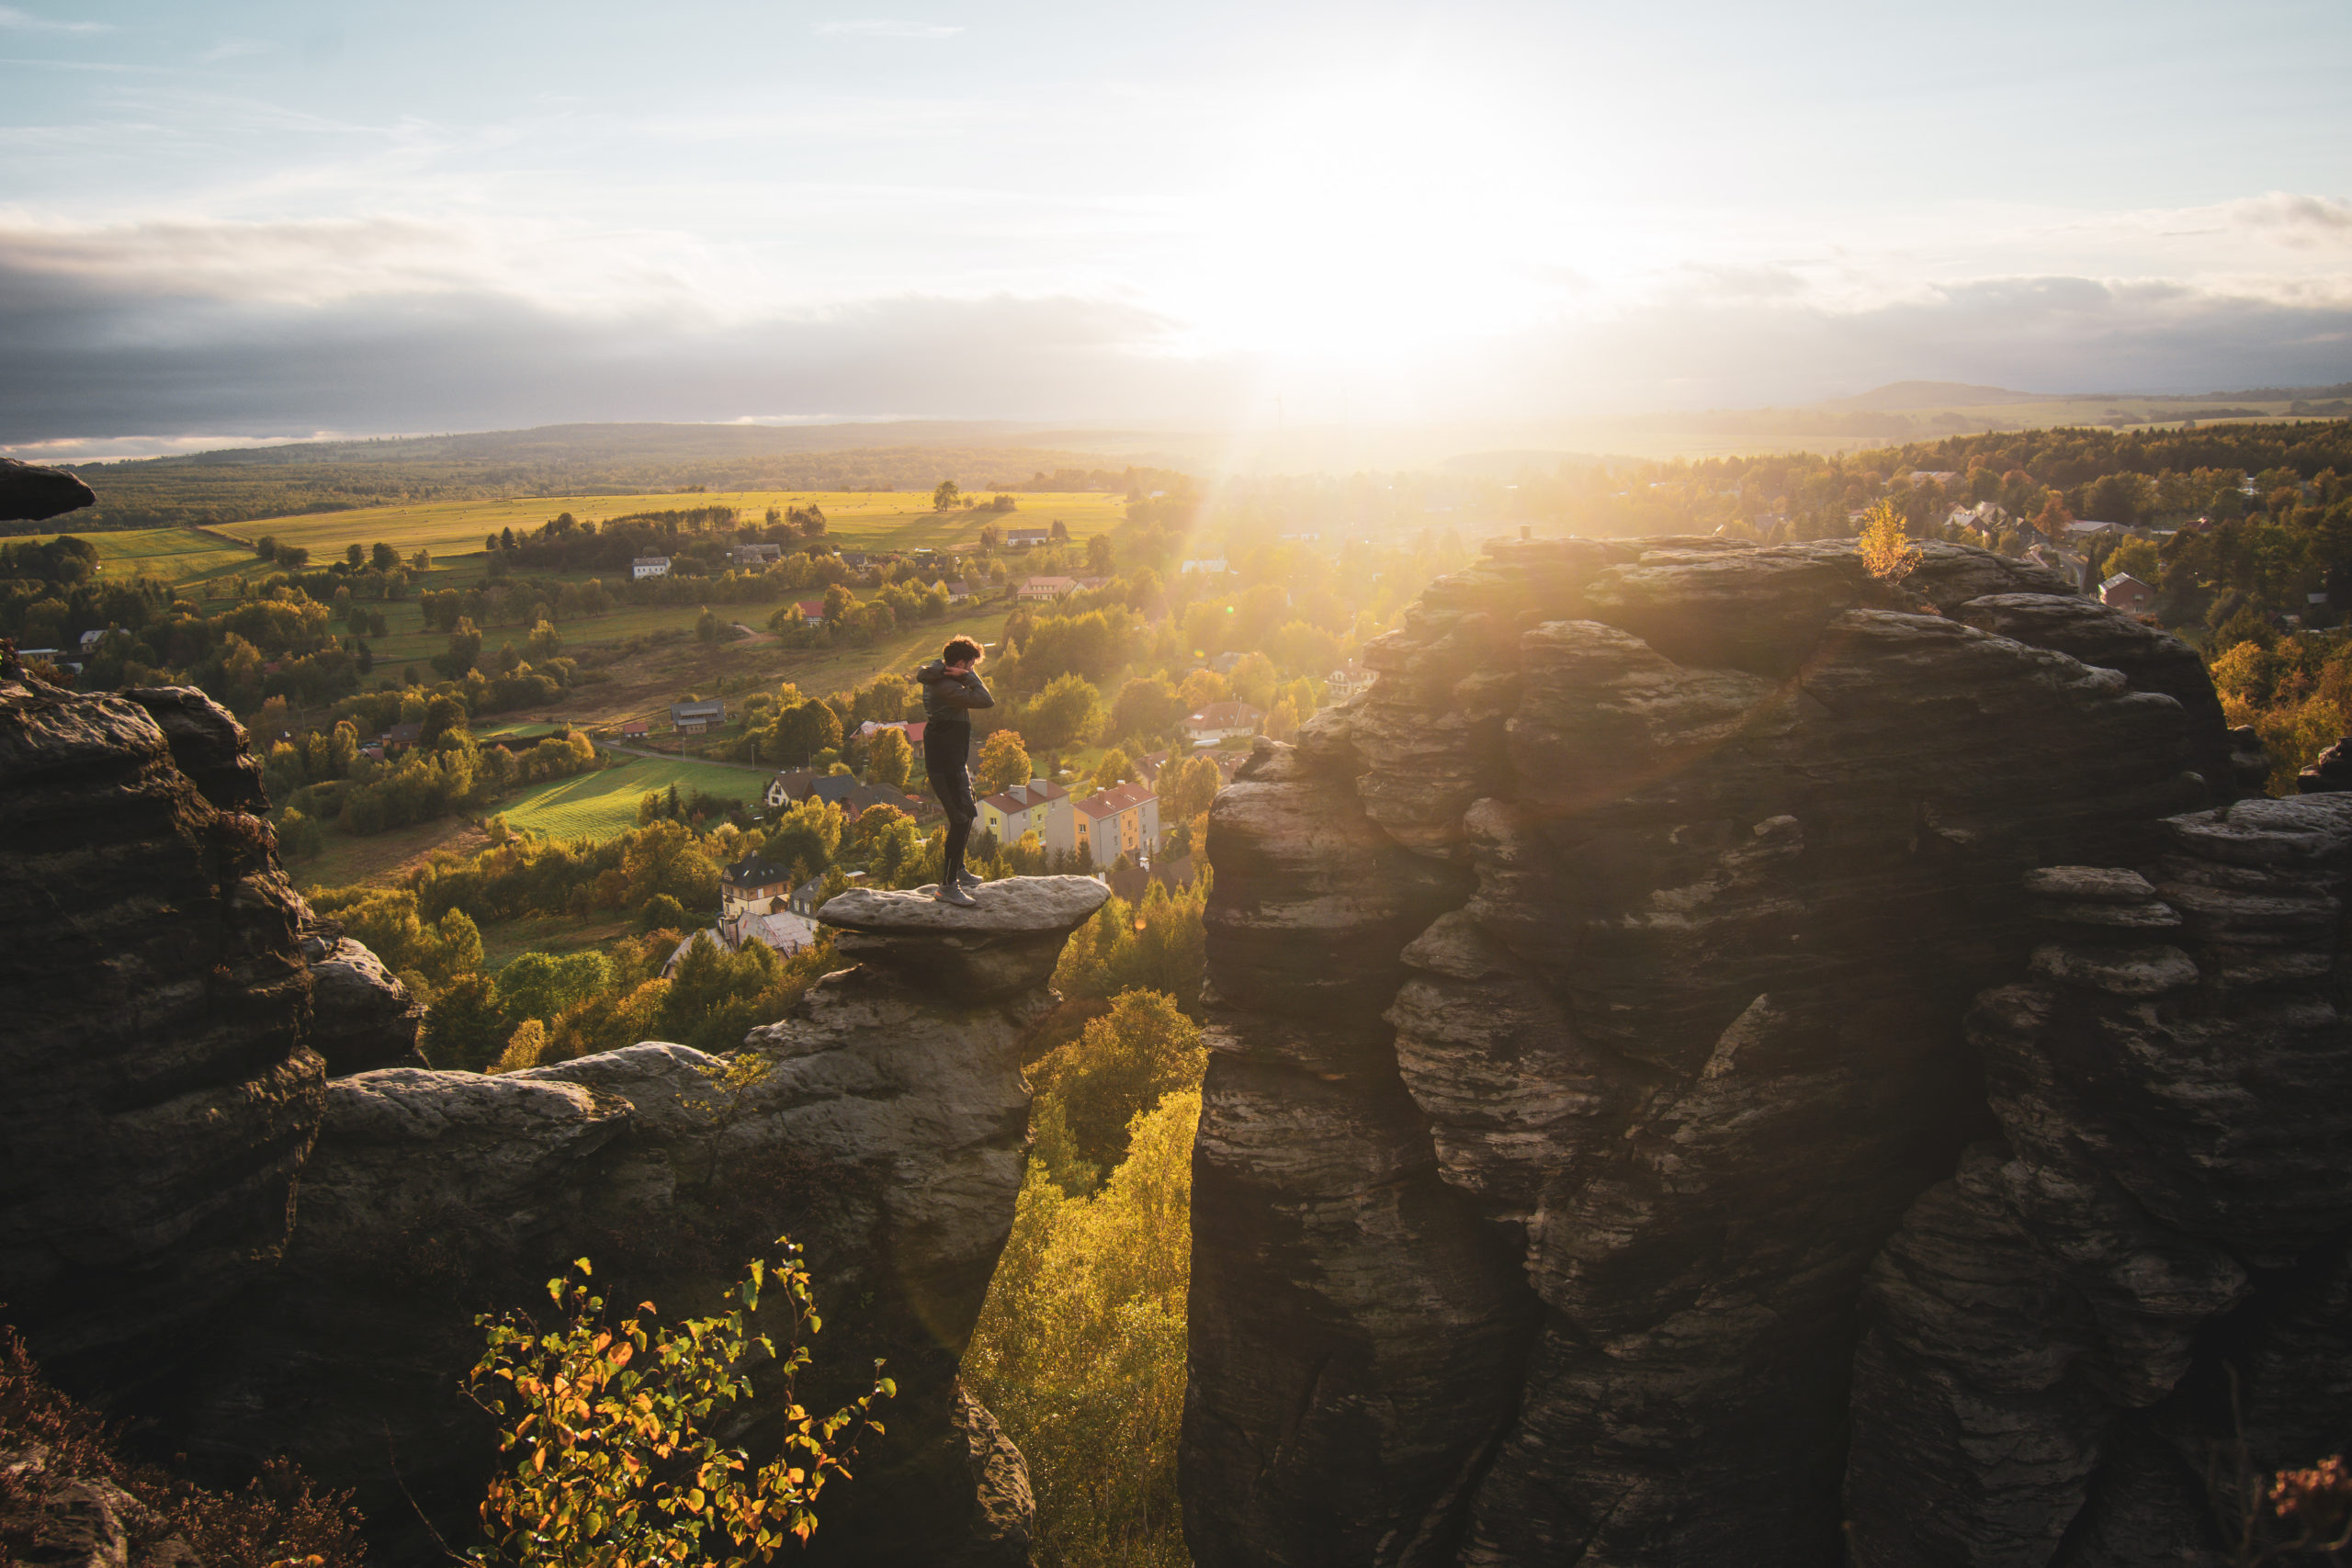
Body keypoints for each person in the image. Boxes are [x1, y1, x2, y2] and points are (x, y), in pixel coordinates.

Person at [914, 635, 994, 906]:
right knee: (960, 819)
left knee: (968, 812)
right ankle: (947, 887)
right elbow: (985, 700)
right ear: (959, 663)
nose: (972, 671)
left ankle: (958, 869)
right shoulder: (946, 686)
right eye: (971, 665)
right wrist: (967, 676)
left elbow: (930, 668)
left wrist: (962, 672)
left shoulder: (942, 676)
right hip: (945, 764)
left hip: (953, 762)